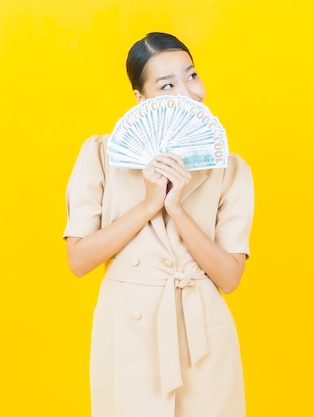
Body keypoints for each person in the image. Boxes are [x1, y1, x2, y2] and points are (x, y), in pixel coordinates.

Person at [63, 32, 254, 417]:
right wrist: (149, 205)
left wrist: (178, 209)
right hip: (130, 336)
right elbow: (79, 260)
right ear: (141, 99)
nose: (187, 92)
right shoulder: (101, 155)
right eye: (167, 84)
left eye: (192, 76)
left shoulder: (229, 167)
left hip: (202, 337)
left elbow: (230, 278)